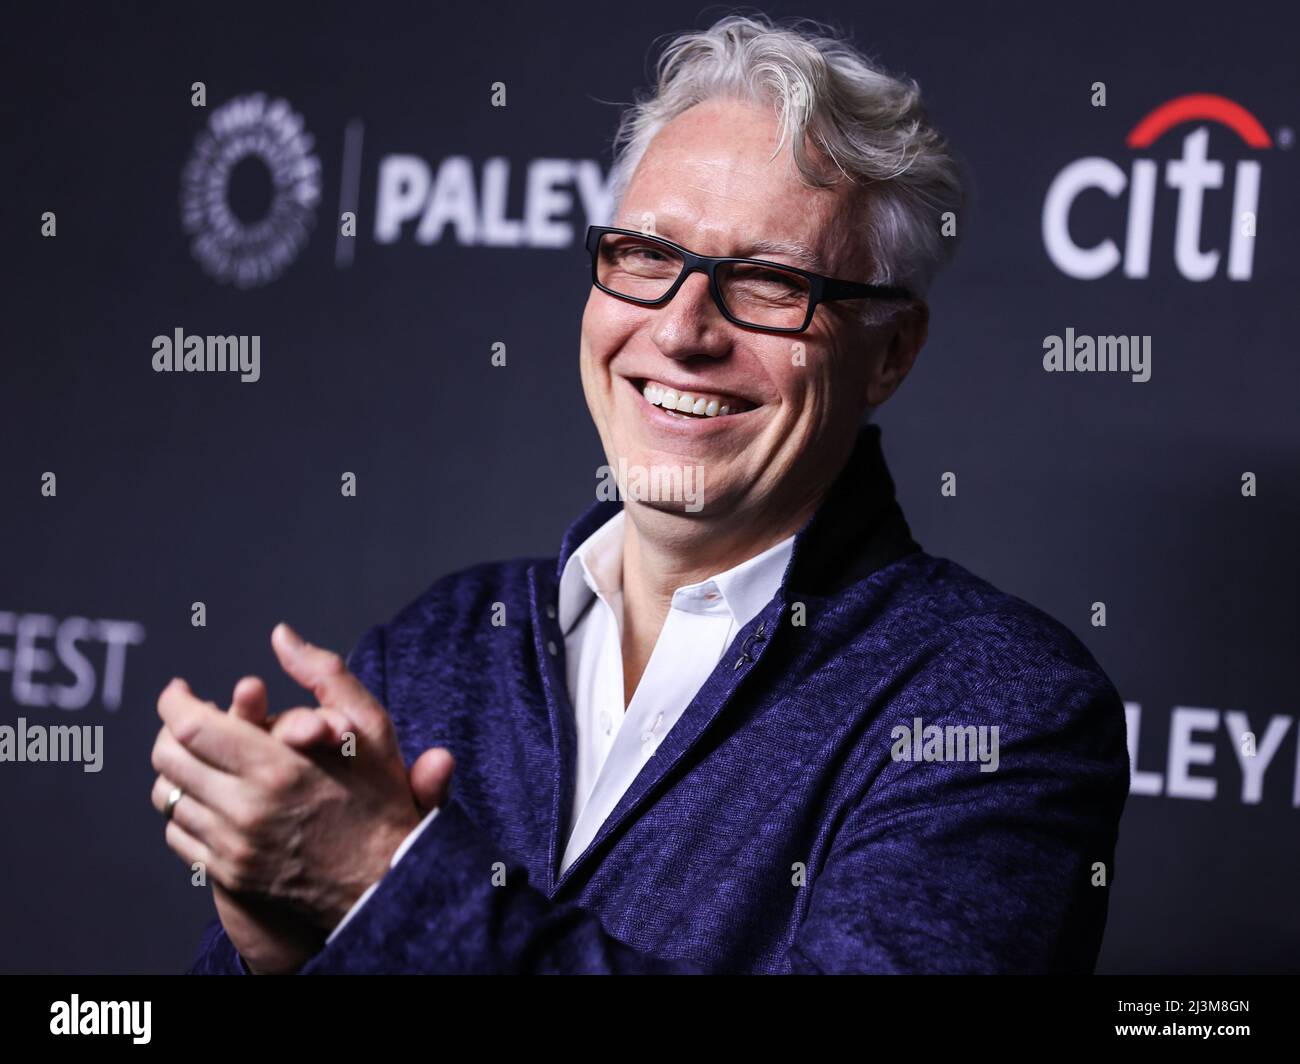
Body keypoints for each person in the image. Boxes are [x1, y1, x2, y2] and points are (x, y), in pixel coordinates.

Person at [153, 13, 1129, 974]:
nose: (680, 330)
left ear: (890, 353)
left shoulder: (997, 707)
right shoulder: (436, 646)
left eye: (768, 280)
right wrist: (276, 958)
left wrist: (381, 888)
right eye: (647, 256)